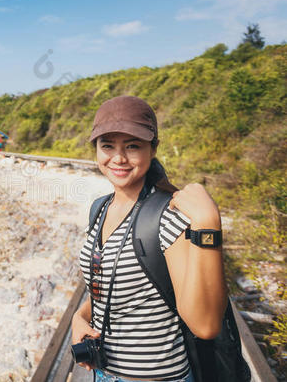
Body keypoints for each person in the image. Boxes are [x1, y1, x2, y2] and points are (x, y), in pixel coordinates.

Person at [71, 96, 227, 381]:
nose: (118, 158)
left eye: (132, 146)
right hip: (104, 374)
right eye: (108, 145)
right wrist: (78, 318)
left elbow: (205, 325)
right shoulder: (100, 208)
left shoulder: (165, 217)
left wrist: (208, 224)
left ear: (153, 149)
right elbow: (104, 287)